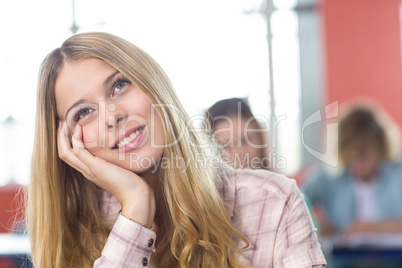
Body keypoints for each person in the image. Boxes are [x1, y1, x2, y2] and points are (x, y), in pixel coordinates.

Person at [28, 32, 326, 267]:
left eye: (119, 85)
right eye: (83, 113)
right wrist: (135, 207)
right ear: (66, 142)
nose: (112, 115)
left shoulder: (272, 203)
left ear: (153, 83)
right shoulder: (76, 228)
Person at [303, 103, 402, 236]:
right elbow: (296, 200)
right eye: (352, 157)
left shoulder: (397, 174)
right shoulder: (329, 177)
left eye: (364, 154)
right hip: (343, 257)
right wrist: (315, 225)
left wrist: (372, 228)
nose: (359, 164)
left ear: (380, 146)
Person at [205, 98, 269, 170]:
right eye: (226, 146)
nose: (239, 153)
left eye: (245, 140)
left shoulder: (282, 180)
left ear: (259, 136)